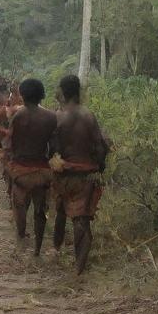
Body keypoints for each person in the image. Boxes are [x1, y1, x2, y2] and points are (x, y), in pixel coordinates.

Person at [51, 74, 110, 273]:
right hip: (85, 175)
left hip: (64, 174)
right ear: (78, 91)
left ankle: (56, 249)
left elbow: (51, 148)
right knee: (81, 220)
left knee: (60, 209)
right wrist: (100, 167)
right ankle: (79, 268)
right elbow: (100, 147)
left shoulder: (58, 117)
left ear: (62, 92)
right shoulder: (88, 116)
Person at [5, 78, 58, 255]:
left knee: (19, 206)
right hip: (43, 172)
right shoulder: (51, 117)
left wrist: (11, 162)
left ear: (23, 95)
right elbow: (54, 147)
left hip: (21, 171)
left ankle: (21, 238)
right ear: (42, 95)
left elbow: (9, 144)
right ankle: (37, 249)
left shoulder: (18, 116)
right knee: (40, 210)